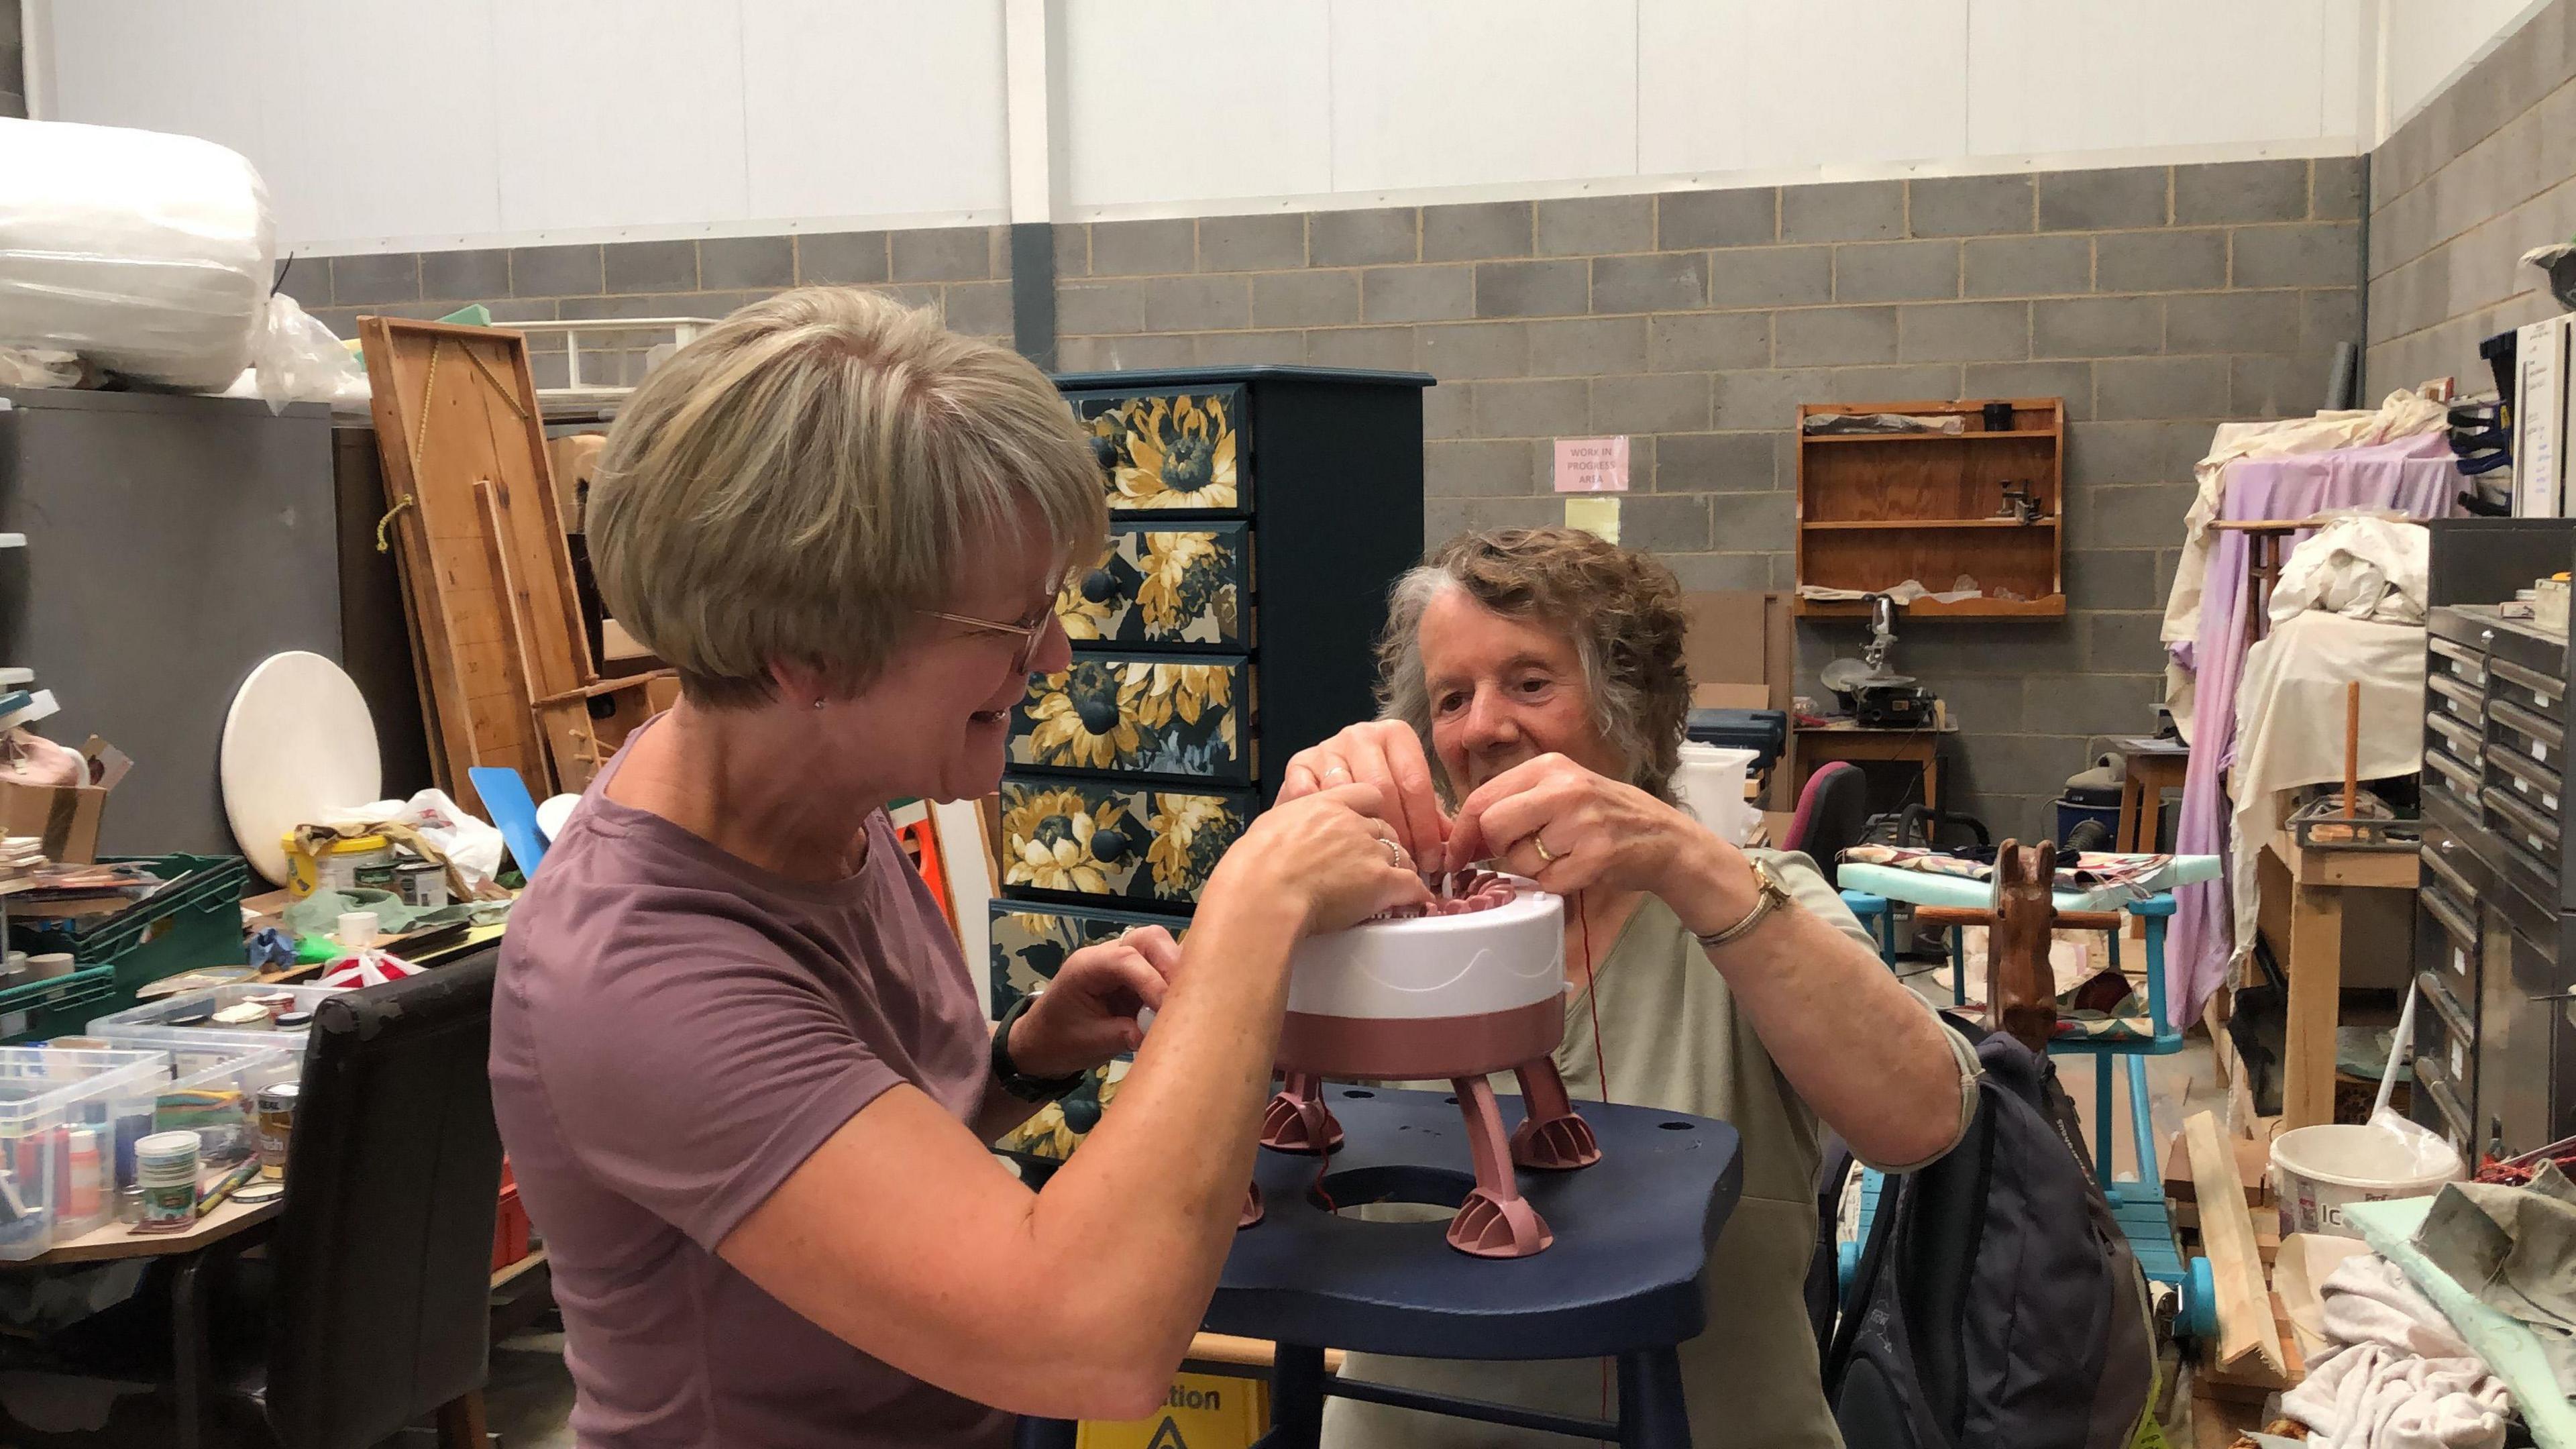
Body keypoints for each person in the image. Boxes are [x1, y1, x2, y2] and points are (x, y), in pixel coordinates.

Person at [488, 288, 1434, 1448]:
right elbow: (1089, 1341)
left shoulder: (811, 793)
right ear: (809, 658)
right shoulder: (636, 977)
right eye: (1011, 624)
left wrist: (1018, 1064)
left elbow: (837, 1162)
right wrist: (1255, 902)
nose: (1055, 655)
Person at [1285, 527, 1979, 1449]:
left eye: (1531, 683)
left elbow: (1922, 1121)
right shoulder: (1388, 923)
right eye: (1452, 698)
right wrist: (1281, 886)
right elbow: (1219, 1185)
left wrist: (1686, 860)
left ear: (1636, 711)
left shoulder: (1748, 905)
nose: (1484, 725)